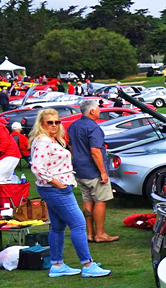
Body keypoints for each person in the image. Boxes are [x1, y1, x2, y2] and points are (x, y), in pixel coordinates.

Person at [28, 109, 111, 278]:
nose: (54, 125)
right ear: (41, 124)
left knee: (58, 227)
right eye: (49, 122)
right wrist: (58, 183)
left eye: (57, 122)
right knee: (79, 224)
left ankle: (57, 265)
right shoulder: (43, 141)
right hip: (56, 188)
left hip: (54, 187)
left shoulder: (51, 140)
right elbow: (37, 167)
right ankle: (87, 265)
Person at [67, 99, 118, 243]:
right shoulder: (94, 128)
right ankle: (100, 234)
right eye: (98, 108)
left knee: (87, 199)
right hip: (93, 170)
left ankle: (89, 233)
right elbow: (95, 151)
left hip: (79, 169)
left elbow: (71, 147)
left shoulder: (73, 126)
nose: (100, 111)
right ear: (92, 111)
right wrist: (103, 172)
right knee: (100, 200)